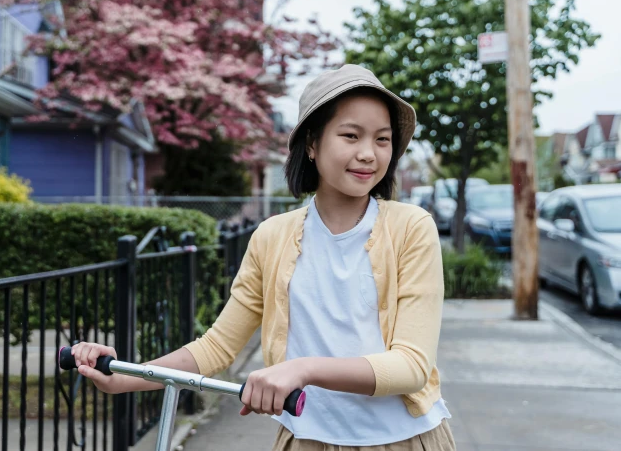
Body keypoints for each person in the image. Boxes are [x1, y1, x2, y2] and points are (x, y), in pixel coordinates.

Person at [71, 64, 456, 450]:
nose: (368, 154)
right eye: (350, 135)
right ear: (311, 143)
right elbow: (217, 347)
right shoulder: (273, 236)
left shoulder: (411, 227)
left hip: (406, 440)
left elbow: (412, 366)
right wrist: (124, 376)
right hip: (307, 441)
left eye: (383, 140)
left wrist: (302, 370)